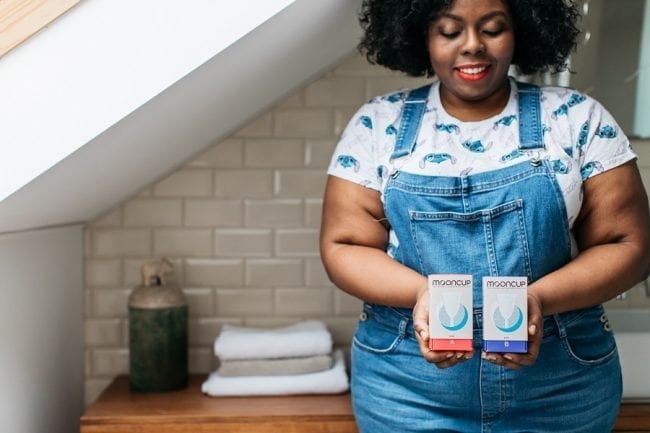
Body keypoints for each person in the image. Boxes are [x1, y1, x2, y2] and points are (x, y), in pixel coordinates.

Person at [320, 0, 650, 431]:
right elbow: (344, 244)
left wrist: (537, 300)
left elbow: (628, 245)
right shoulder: (378, 124)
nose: (472, 45)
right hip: (407, 387)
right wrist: (422, 295)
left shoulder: (576, 118)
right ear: (421, 35)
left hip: (561, 386)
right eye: (449, 31)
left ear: (522, 31)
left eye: (493, 29)